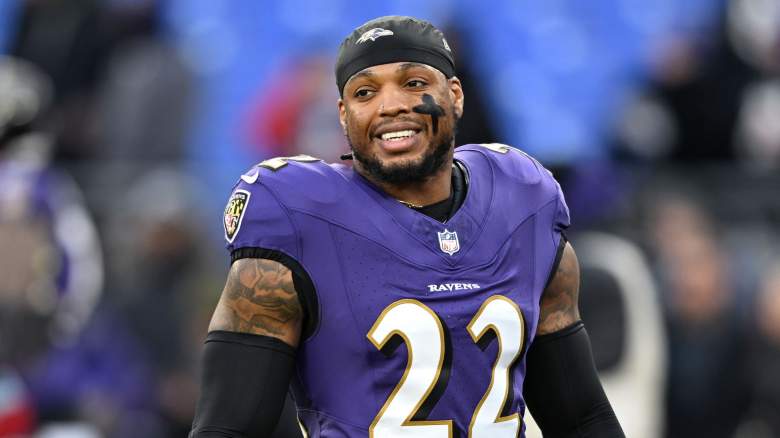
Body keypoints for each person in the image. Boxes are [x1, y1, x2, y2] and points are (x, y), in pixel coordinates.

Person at [190, 16, 624, 438]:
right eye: (365, 92)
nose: (391, 105)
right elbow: (228, 428)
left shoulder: (522, 201)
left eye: (414, 83)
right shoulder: (299, 217)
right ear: (343, 115)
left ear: (454, 95)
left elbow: (582, 420)